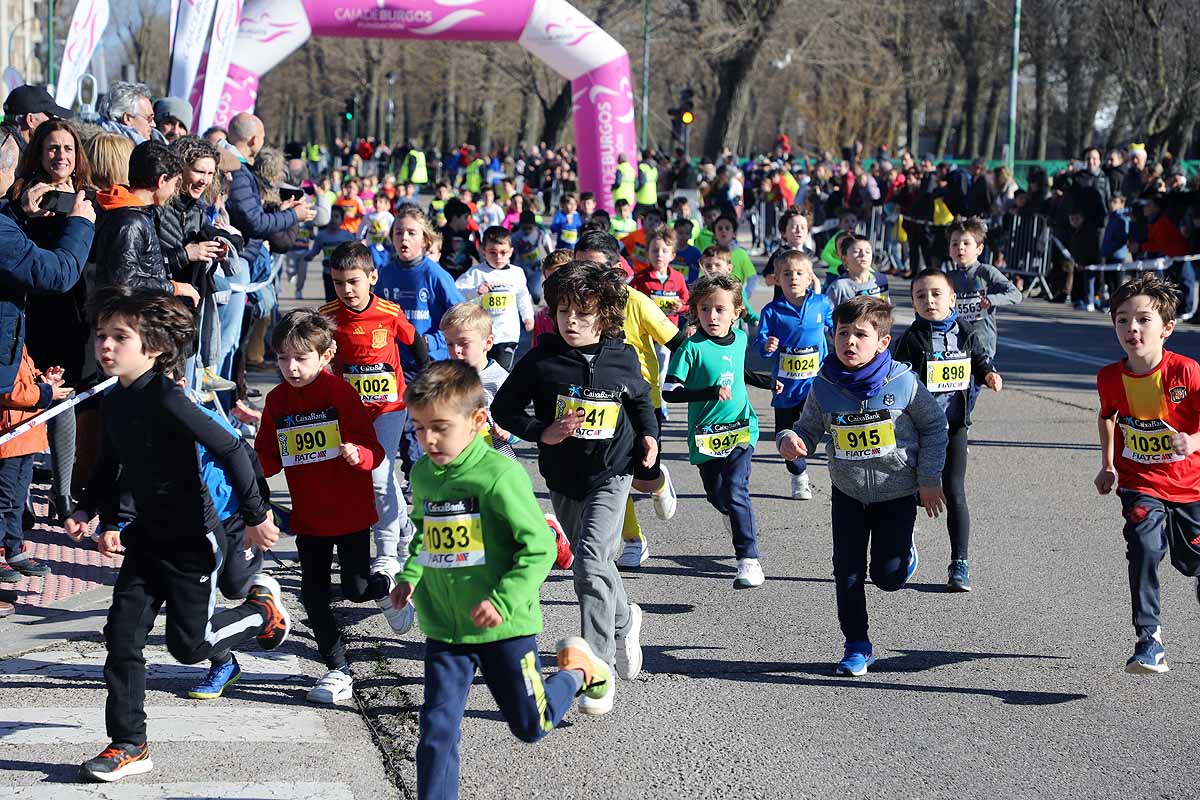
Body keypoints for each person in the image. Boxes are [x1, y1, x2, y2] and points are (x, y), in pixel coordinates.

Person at [65, 287, 289, 782]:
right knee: (121, 637)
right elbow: (110, 461)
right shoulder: (116, 400)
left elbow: (232, 449)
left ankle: (260, 613)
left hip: (193, 540)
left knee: (191, 647)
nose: (105, 345)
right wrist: (88, 508)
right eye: (101, 335)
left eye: (119, 337)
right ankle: (129, 744)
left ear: (153, 348)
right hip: (148, 538)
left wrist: (256, 514)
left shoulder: (167, 397)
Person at [389, 361, 607, 800]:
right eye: (418, 428)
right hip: (446, 628)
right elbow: (425, 540)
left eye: (439, 427)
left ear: (476, 420)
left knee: (531, 725)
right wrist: (409, 577)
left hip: (504, 628)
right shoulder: (424, 474)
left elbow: (540, 548)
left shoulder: (499, 475)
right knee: (435, 733)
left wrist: (503, 602)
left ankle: (579, 672)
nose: (427, 440)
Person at [491, 263, 656, 715]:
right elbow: (504, 408)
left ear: (604, 316)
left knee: (588, 562)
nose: (571, 321)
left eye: (582, 313)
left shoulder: (622, 356)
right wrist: (541, 431)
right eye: (563, 311)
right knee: (597, 564)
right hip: (564, 477)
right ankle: (626, 618)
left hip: (613, 471)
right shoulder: (542, 359)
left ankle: (595, 666)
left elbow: (640, 400)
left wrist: (650, 436)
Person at [776, 295, 947, 677]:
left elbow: (935, 427)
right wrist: (789, 439)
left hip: (896, 490)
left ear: (882, 342)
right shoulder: (823, 385)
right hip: (848, 492)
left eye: (860, 335)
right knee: (847, 570)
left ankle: (903, 557)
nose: (849, 342)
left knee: (887, 576)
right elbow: (807, 429)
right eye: (842, 334)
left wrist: (929, 479)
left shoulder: (903, 382)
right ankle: (857, 645)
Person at [253, 309, 393, 703]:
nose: (291, 368)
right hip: (310, 515)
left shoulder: (340, 395)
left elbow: (375, 451)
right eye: (282, 358)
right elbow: (269, 456)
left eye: (301, 358)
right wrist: (243, 462)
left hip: (349, 510)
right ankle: (337, 669)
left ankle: (387, 584)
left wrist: (357, 454)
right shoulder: (278, 400)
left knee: (357, 588)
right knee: (313, 595)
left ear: (326, 355)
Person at [1094, 274, 1200, 674]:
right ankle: (1149, 640)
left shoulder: (1187, 373)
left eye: (1143, 320)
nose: (1131, 329)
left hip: (1191, 487)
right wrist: (1107, 464)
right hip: (1140, 483)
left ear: (1167, 328)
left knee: (1192, 564)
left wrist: (1193, 441)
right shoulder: (1109, 378)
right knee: (1144, 545)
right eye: (1122, 320)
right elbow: (1107, 417)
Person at [320, 242, 429, 631]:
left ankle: (386, 555)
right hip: (351, 410)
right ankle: (403, 528)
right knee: (374, 480)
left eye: (353, 281)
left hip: (389, 407)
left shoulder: (388, 312)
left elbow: (416, 341)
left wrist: (426, 380)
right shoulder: (327, 316)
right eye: (338, 283)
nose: (346, 290)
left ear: (372, 278)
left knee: (379, 476)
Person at [5, 118, 95, 520]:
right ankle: (17, 503)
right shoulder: (22, 198)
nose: (61, 156)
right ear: (38, 154)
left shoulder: (87, 200)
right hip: (31, 311)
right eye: (53, 148)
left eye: (69, 149)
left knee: (64, 398)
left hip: (70, 311)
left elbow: (88, 258)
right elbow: (35, 265)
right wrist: (27, 214)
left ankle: (63, 493)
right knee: (24, 399)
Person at [892, 269, 1003, 592]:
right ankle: (902, 544)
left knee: (954, 491)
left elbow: (980, 360)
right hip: (918, 429)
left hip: (954, 426)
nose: (930, 301)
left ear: (952, 299)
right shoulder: (911, 339)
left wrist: (989, 375)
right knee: (911, 491)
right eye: (921, 296)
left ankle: (960, 563)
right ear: (912, 302)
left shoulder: (966, 332)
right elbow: (896, 376)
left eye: (937, 294)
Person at [575, 232, 681, 569]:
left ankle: (659, 482)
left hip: (641, 399)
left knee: (642, 476)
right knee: (612, 473)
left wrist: (688, 378)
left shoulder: (636, 301)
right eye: (579, 266)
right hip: (599, 402)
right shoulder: (577, 305)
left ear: (614, 267)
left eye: (591, 267)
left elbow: (678, 342)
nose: (583, 274)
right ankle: (633, 540)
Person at [663, 274, 774, 587]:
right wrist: (708, 392)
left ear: (736, 313)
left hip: (741, 427)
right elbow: (670, 390)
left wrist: (765, 381)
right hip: (705, 435)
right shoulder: (691, 348)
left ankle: (748, 560)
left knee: (737, 487)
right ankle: (733, 515)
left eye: (720, 309)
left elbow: (736, 371)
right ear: (695, 311)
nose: (712, 316)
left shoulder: (740, 338)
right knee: (718, 496)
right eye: (705, 309)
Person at [754, 250, 832, 501]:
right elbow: (760, 346)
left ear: (810, 278)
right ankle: (799, 476)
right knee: (786, 438)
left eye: (799, 273)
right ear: (777, 279)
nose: (793, 278)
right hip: (785, 387)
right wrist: (767, 346)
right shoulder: (772, 311)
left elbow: (839, 326)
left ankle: (843, 472)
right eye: (787, 274)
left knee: (830, 430)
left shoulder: (821, 304)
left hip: (817, 386)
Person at [0, 347, 69, 582]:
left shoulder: (14, 335)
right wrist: (46, 392)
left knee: (17, 500)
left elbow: (25, 374)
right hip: (8, 435)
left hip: (27, 433)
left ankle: (13, 548)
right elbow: (7, 391)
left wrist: (44, 380)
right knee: (3, 499)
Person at [454, 226, 535, 370]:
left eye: (503, 252)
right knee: (482, 370)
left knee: (502, 370)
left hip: (507, 334)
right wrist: (475, 291)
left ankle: (500, 392)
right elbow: (455, 292)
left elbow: (523, 296)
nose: (498, 257)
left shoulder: (517, 273)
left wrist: (528, 317)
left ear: (511, 251)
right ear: (484, 252)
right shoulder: (476, 273)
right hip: (482, 333)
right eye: (493, 253)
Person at [942, 218, 1021, 358]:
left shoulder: (986, 272)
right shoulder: (948, 277)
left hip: (982, 343)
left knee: (985, 378)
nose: (960, 247)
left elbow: (1015, 294)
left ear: (979, 249)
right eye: (954, 244)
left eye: (966, 243)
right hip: (956, 342)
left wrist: (991, 299)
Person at [630, 226, 690, 395]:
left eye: (664, 251)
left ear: (673, 255)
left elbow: (688, 302)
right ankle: (647, 399)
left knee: (663, 368)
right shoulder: (640, 279)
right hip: (645, 334)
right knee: (645, 368)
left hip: (667, 333)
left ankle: (661, 405)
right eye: (655, 250)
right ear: (647, 253)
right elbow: (629, 300)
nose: (659, 255)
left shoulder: (677, 278)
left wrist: (681, 307)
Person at [1, 85, 69, 158]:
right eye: (50, 117)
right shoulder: (8, 150)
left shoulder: (14, 145)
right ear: (30, 120)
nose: (52, 124)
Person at [824, 235, 889, 309]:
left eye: (867, 252)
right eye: (856, 251)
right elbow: (827, 315)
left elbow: (886, 310)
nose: (863, 255)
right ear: (844, 259)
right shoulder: (839, 286)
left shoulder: (881, 280)